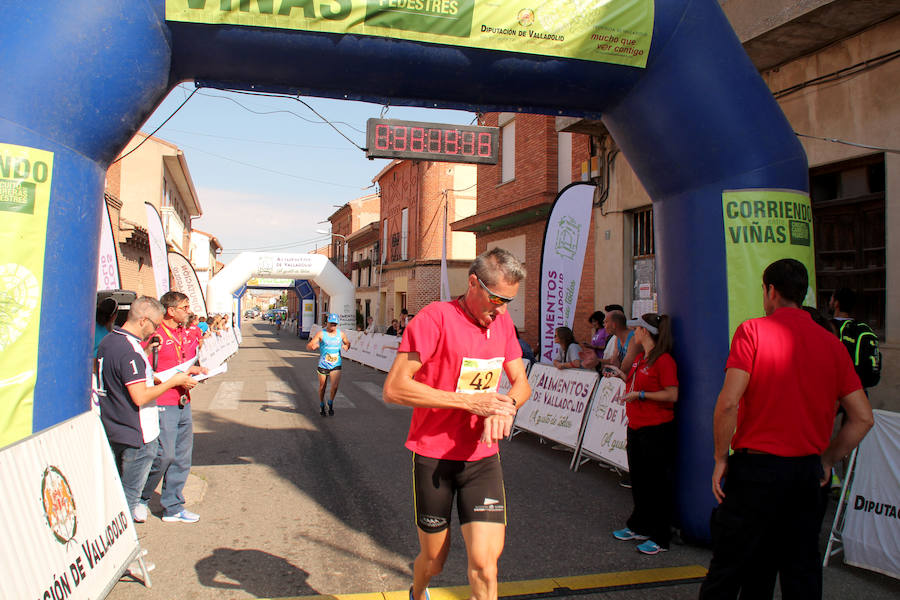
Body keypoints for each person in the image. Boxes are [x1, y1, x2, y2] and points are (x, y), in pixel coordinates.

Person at [700, 259, 874, 599]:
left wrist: (721, 457)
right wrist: (827, 459)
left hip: (756, 470)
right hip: (806, 474)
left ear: (770, 291)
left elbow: (728, 403)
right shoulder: (832, 345)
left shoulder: (753, 331)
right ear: (803, 293)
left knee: (731, 568)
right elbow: (863, 418)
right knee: (801, 572)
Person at [383, 247, 531, 600]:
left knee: (485, 565)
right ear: (473, 283)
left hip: (481, 461)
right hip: (435, 457)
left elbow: (521, 384)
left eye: (509, 301)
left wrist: (504, 406)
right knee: (434, 560)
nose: (501, 310)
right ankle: (418, 591)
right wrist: (469, 402)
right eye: (496, 299)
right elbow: (394, 389)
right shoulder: (434, 319)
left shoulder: (503, 322)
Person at [96, 296, 196, 523]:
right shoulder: (129, 350)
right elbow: (140, 396)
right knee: (128, 500)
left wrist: (149, 353)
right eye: (155, 324)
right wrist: (172, 382)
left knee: (120, 493)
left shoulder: (111, 341)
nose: (156, 329)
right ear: (143, 320)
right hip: (135, 431)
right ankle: (125, 544)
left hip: (116, 425)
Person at [609, 313, 678, 555]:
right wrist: (620, 377)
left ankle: (661, 537)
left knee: (657, 484)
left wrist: (641, 396)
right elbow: (634, 383)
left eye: (637, 329)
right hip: (636, 427)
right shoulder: (641, 358)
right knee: (639, 480)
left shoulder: (664, 361)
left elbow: (671, 394)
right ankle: (639, 525)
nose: (633, 332)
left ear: (645, 332)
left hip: (656, 429)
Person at [139, 291, 207, 524]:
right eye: (185, 307)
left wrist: (196, 371)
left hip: (183, 401)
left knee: (181, 457)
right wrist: (174, 380)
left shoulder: (185, 334)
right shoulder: (154, 335)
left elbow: (186, 365)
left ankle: (173, 506)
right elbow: (145, 373)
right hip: (162, 402)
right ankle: (140, 497)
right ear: (171, 310)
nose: (189, 311)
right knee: (164, 456)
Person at [829, 287, 882, 391]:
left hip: (836, 393)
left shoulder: (827, 327)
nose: (829, 302)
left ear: (836, 304)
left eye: (831, 299)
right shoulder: (864, 328)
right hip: (860, 392)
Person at [306, 313, 351, 416]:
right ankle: (322, 403)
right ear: (327, 323)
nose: (333, 326)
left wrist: (347, 347)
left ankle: (330, 402)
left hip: (336, 363)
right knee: (323, 386)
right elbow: (309, 345)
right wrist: (311, 347)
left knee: (334, 386)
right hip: (323, 364)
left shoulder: (341, 334)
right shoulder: (321, 334)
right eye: (331, 324)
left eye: (335, 324)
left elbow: (348, 343)